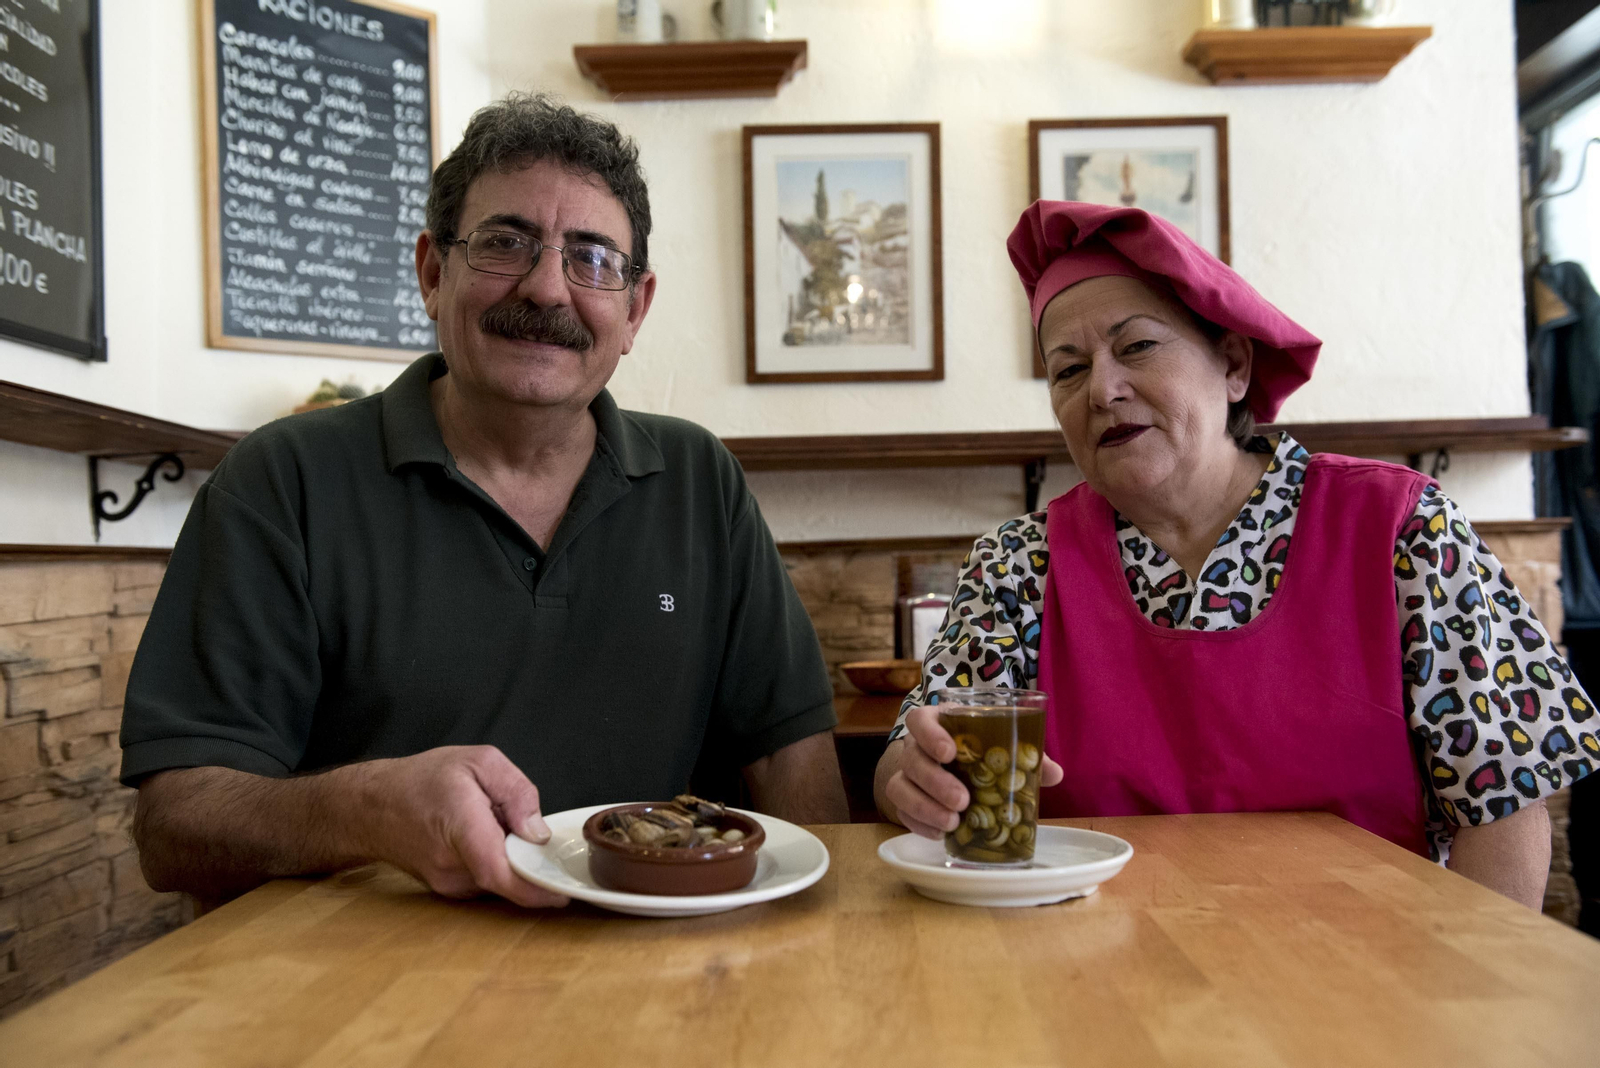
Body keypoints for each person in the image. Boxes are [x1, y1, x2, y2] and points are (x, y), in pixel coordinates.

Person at [122, 93, 847, 909]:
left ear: (634, 310)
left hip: (651, 976)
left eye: (593, 258)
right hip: (355, 997)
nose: (546, 289)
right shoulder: (280, 481)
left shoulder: (698, 480)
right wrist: (357, 810)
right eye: (506, 244)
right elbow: (172, 829)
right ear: (434, 273)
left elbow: (792, 761)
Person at [875, 200, 1597, 909]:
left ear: (1233, 366)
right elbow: (909, 750)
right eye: (1068, 370)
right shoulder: (1019, 563)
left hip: (1373, 988)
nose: (1102, 389)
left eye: (1137, 346)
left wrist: (1467, 1010)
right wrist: (910, 775)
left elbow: (1502, 803)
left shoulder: (1400, 530)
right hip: (1093, 980)